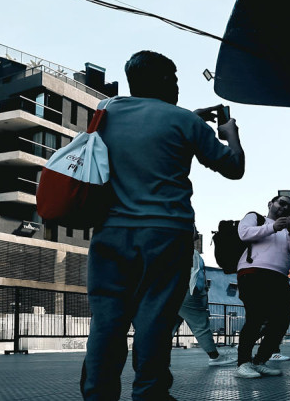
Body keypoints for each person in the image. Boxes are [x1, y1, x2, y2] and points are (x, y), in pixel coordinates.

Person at [81, 50, 245, 401]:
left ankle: (97, 395)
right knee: (154, 318)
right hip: (166, 234)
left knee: (107, 321)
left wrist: (190, 119)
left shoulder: (105, 112)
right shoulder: (185, 122)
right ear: (165, 82)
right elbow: (233, 167)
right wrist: (229, 134)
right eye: (174, 79)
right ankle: (149, 393)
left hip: (110, 233)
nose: (178, 86)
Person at [233, 195, 290, 379]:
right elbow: (244, 233)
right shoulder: (255, 217)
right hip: (252, 272)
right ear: (270, 204)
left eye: (288, 205)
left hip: (279, 276)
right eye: (281, 202)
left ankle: (260, 361)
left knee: (282, 320)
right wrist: (273, 227)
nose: (284, 207)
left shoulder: (288, 229)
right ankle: (243, 363)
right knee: (255, 317)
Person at [174, 230, 234, 366]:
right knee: (201, 325)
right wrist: (197, 291)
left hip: (179, 293)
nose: (197, 231)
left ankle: (158, 358)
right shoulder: (185, 249)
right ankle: (214, 356)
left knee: (169, 327)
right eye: (194, 228)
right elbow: (192, 274)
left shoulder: (179, 248)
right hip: (188, 293)